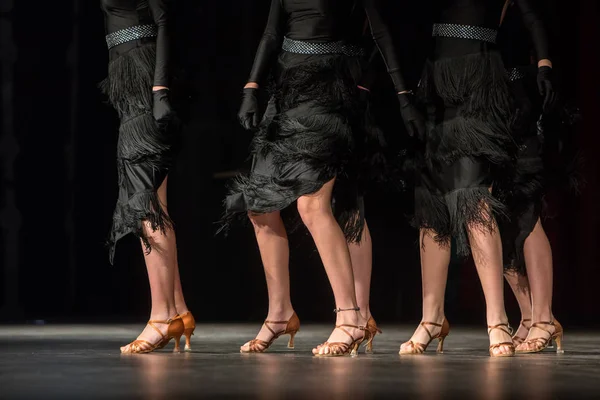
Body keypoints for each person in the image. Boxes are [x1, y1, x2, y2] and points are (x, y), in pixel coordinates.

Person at [226, 0, 422, 356]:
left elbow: (379, 32)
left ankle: (351, 316)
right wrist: (251, 86)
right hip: (287, 90)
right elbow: (272, 32)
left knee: (315, 204)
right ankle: (280, 312)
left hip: (329, 89)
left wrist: (403, 95)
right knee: (258, 205)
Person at [400, 0, 552, 357]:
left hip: (478, 80)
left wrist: (544, 63)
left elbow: (530, 15)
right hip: (435, 81)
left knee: (474, 199)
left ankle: (498, 319)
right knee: (432, 204)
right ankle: (431, 318)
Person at [100, 0, 194, 354]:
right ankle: (178, 310)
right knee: (154, 202)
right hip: (129, 76)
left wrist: (159, 90)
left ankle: (161, 317)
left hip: (145, 80)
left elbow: (165, 18)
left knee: (144, 205)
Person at [497, 0, 563, 354]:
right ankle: (527, 315)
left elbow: (536, 20)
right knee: (498, 216)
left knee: (527, 211)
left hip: (521, 99)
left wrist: (544, 67)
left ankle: (544, 318)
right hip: (487, 104)